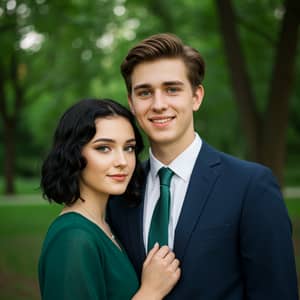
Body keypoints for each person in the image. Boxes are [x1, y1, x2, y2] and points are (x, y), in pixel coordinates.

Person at [108, 33, 299, 299]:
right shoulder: (120, 190)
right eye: (145, 92)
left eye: (172, 89)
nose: (159, 104)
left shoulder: (250, 186)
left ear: (196, 97)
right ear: (131, 103)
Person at [38, 98, 181, 300]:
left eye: (129, 148)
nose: (122, 162)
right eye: (104, 148)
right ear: (73, 154)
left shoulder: (103, 226)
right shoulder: (73, 238)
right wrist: (151, 292)